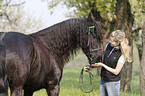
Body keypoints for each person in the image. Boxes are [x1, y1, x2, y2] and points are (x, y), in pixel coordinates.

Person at [84, 30, 132, 96]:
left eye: (112, 41)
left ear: (118, 42)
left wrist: (103, 65)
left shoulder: (122, 54)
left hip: (113, 83)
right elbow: (104, 61)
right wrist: (91, 67)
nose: (110, 42)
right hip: (103, 80)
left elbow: (116, 71)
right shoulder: (108, 46)